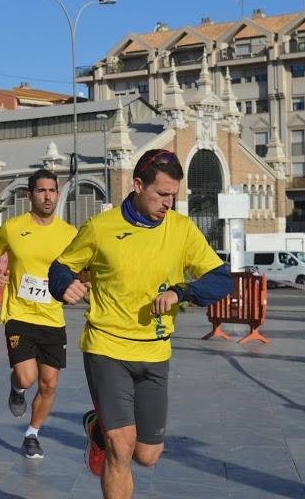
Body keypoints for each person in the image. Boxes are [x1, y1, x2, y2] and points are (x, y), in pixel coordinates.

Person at [48, 149, 232, 499]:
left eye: (173, 196)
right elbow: (61, 266)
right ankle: (109, 436)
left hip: (155, 351)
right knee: (122, 448)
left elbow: (221, 279)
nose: (168, 203)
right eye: (161, 194)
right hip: (107, 347)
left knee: (146, 455)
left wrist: (183, 291)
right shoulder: (101, 228)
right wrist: (63, 285)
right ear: (137, 185)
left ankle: (97, 429)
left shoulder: (181, 229)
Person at [0, 169, 77, 459]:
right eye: (41, 191)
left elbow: (82, 267)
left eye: (52, 191)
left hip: (53, 318)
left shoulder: (70, 234)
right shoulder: (13, 228)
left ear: (57, 194)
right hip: (20, 314)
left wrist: (80, 283)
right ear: (30, 195)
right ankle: (16, 388)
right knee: (27, 378)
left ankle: (32, 433)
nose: (47, 196)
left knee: (49, 383)